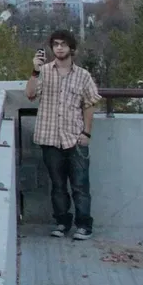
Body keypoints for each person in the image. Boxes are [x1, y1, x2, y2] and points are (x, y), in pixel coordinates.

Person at [27, 29, 101, 240]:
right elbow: (30, 95)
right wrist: (34, 71)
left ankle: (84, 225)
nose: (59, 47)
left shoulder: (83, 76)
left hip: (74, 138)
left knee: (80, 185)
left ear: (71, 49)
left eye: (63, 44)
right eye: (56, 44)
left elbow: (90, 104)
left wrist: (87, 132)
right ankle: (62, 222)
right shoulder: (44, 71)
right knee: (58, 186)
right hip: (49, 138)